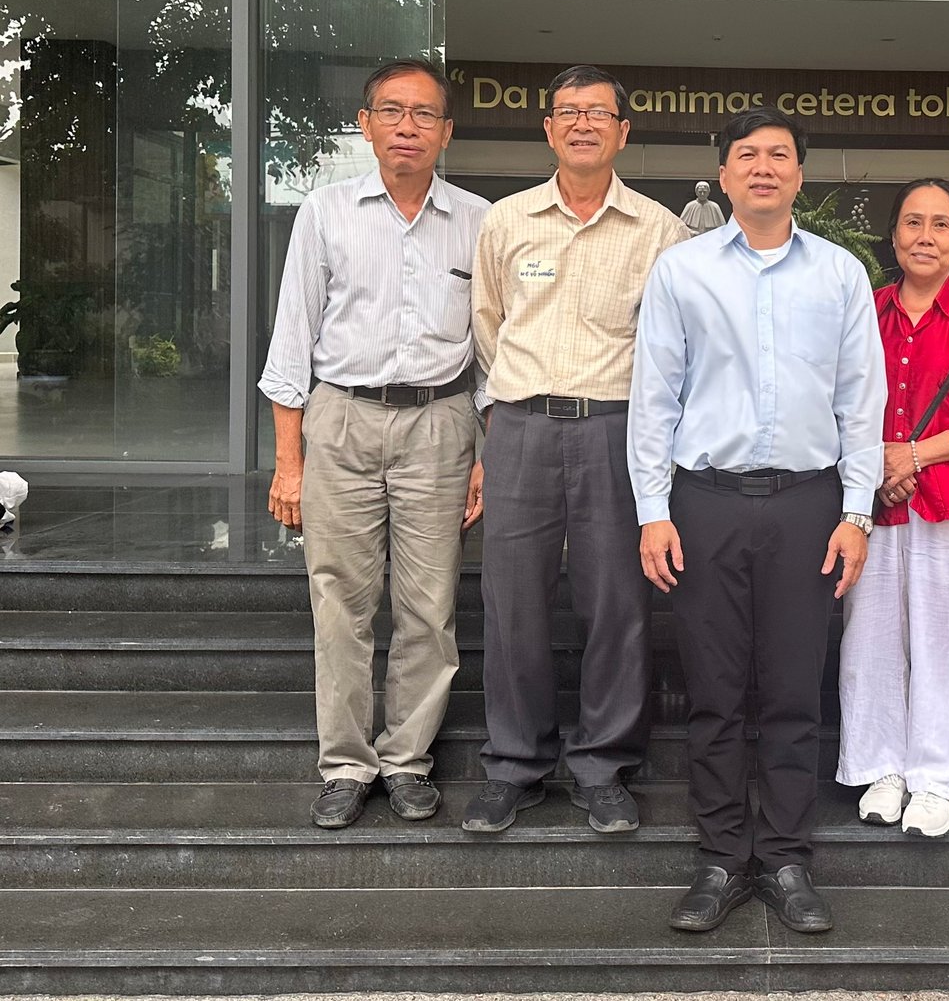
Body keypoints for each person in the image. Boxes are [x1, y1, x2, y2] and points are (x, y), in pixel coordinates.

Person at [629, 107, 885, 935]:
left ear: (800, 175)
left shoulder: (839, 274)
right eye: (748, 155)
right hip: (703, 502)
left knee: (792, 689)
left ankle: (784, 857)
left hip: (809, 504)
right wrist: (652, 512)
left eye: (779, 155)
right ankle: (718, 858)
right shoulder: (682, 271)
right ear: (725, 174)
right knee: (713, 690)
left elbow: (862, 401)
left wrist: (855, 512)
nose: (764, 167)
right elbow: (654, 398)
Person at [259, 58, 489, 829]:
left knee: (429, 604)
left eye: (424, 114)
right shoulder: (324, 212)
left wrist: (485, 454)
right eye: (392, 111)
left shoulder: (480, 220)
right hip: (342, 419)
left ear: (446, 132)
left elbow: (492, 350)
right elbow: (292, 340)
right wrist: (289, 463)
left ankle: (407, 759)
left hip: (440, 423)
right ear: (365, 125)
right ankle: (347, 765)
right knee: (340, 601)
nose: (407, 127)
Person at [467, 65, 689, 835]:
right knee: (512, 601)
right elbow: (488, 325)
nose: (582, 123)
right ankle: (515, 763)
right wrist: (505, 416)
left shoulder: (660, 230)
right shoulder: (507, 221)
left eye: (598, 112)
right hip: (521, 426)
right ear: (548, 129)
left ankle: (603, 766)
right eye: (568, 111)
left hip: (616, 430)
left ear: (624, 131)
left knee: (616, 602)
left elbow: (672, 349)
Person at [836, 179, 949, 839]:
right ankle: (881, 768)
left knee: (947, 643)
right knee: (870, 639)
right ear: (893, 236)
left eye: (942, 225)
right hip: (873, 504)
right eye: (913, 222)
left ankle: (937, 780)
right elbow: (840, 401)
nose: (926, 236)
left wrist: (911, 456)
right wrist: (877, 468)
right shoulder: (865, 310)